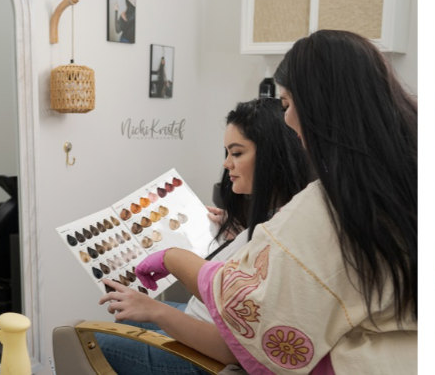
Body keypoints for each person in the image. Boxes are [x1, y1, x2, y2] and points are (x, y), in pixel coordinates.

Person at [129, 31, 418, 375]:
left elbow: (251, 312)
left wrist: (172, 259)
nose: (288, 119)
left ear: (317, 105)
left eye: (288, 105)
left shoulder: (327, 209)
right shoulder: (406, 178)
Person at [97, 99, 311, 375]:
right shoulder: (274, 220)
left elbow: (237, 347)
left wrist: (156, 310)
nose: (226, 163)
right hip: (203, 318)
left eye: (237, 153)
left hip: (211, 355)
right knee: (124, 322)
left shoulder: (282, 237)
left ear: (271, 156)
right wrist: (240, 238)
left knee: (87, 340)